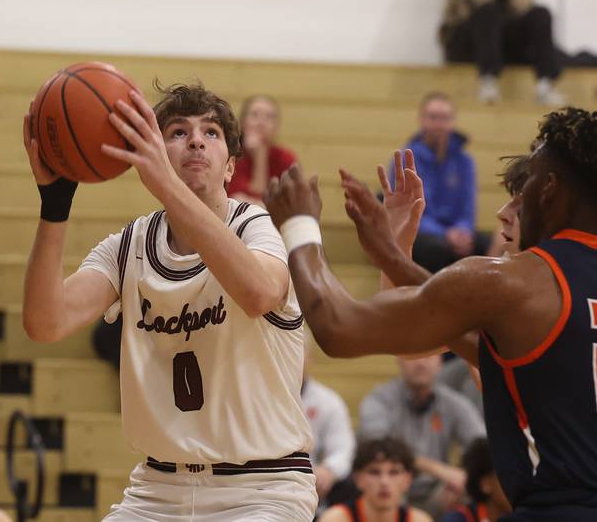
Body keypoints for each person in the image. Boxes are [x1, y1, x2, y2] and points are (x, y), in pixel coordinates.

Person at [264, 106, 597, 520]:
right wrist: (394, 258)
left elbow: (339, 329)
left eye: (525, 189)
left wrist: (298, 225)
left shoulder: (514, 283)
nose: (507, 211)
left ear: (549, 189)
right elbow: (464, 329)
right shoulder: (546, 299)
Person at [22, 83, 316, 520]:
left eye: (211, 133)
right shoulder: (130, 245)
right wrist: (55, 204)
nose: (196, 139)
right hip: (157, 489)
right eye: (177, 132)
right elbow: (45, 323)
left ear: (230, 167)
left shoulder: (257, 227)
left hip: (263, 488)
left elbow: (258, 292)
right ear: (152, 152)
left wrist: (165, 184)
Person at [358, 356, 485, 518]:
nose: (420, 362)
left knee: (474, 488)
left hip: (437, 492)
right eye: (413, 355)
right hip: (391, 483)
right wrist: (440, 470)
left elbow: (481, 447)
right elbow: (378, 448)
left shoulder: (452, 402)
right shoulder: (378, 400)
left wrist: (464, 475)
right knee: (383, 481)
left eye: (429, 355)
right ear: (399, 359)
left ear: (440, 362)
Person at [398, 92, 489, 274]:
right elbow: (407, 212)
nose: (439, 124)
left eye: (445, 118)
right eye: (433, 117)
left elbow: (468, 207)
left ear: (453, 121)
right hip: (420, 233)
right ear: (421, 120)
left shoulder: (465, 161)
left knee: (491, 246)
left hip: (454, 232)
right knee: (435, 248)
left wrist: (463, 231)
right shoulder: (406, 159)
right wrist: (445, 234)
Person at [439, 0, 564, 105]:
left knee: (541, 13)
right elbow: (457, 14)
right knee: (488, 11)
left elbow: (524, 6)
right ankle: (488, 81)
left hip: (501, 46)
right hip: (469, 44)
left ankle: (544, 84)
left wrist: (517, 2)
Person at [320, 438, 432, 522]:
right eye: (374, 472)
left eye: (394, 472)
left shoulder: (420, 520)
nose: (384, 482)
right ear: (358, 478)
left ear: (408, 479)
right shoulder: (334, 519)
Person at [301, 340, 356, 506]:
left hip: (314, 481)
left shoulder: (328, 401)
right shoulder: (252, 398)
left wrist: (329, 469)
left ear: (310, 359)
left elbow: (343, 449)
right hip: (265, 481)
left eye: (298, 351)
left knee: (350, 485)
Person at [227, 95, 298, 206]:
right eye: (254, 115)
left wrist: (260, 156)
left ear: (275, 127)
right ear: (242, 122)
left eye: (269, 117)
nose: (261, 122)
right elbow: (235, 202)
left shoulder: (286, 158)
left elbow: (292, 204)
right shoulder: (231, 156)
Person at [442, 438, 513, 522]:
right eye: (509, 475)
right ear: (486, 484)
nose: (517, 484)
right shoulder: (458, 519)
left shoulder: (525, 514)